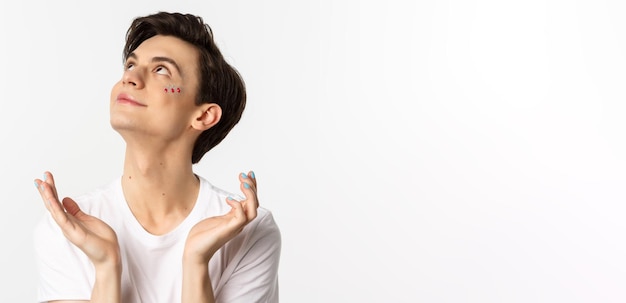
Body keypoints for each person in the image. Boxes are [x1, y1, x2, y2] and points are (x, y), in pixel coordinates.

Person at [32, 11, 281, 303]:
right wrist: (107, 266)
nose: (130, 77)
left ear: (203, 115)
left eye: (162, 70)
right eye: (130, 64)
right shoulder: (68, 230)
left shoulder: (249, 232)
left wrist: (196, 262)